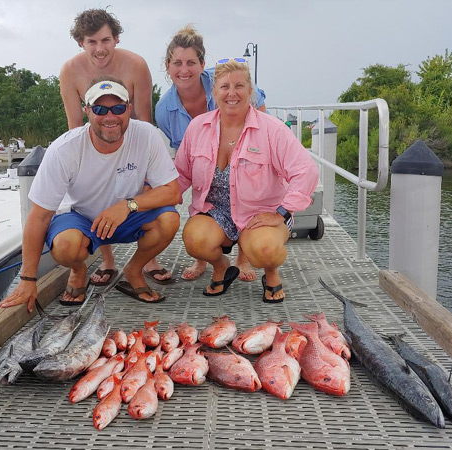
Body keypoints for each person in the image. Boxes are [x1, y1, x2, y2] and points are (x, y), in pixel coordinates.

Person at [0, 77, 180, 311]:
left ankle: (134, 270)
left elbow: (172, 192)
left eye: (118, 108)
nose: (110, 116)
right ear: (87, 111)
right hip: (81, 218)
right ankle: (78, 269)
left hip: (128, 216)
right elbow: (39, 216)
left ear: (129, 109)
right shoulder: (64, 149)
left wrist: (127, 206)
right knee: (64, 246)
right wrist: (27, 279)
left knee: (170, 219)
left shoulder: (147, 135)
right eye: (100, 109)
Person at [174, 59, 319, 302]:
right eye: (224, 87)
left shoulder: (273, 129)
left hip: (260, 212)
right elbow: (180, 174)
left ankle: (271, 274)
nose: (232, 93)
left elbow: (305, 171)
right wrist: (152, 203)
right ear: (214, 93)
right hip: (216, 212)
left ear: (250, 91)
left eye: (239, 86)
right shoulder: (197, 127)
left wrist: (282, 212)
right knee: (194, 239)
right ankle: (222, 267)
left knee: (265, 250)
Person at [60, 8, 173, 286]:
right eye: (92, 42)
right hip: (93, 143)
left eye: (105, 40)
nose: (100, 49)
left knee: (148, 199)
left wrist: (147, 178)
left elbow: (144, 119)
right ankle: (107, 260)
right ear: (80, 43)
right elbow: (75, 127)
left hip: (131, 140)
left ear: (117, 38)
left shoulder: (136, 65)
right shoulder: (70, 71)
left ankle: (148, 260)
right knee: (95, 191)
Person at [155, 25, 267, 282]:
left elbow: (262, 115)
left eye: (191, 62)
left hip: (244, 157)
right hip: (207, 169)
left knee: (246, 190)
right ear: (168, 66)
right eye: (177, 63)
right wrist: (159, 197)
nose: (184, 70)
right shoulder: (163, 110)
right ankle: (203, 258)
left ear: (202, 63)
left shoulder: (227, 82)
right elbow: (186, 167)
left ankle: (243, 257)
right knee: (204, 186)